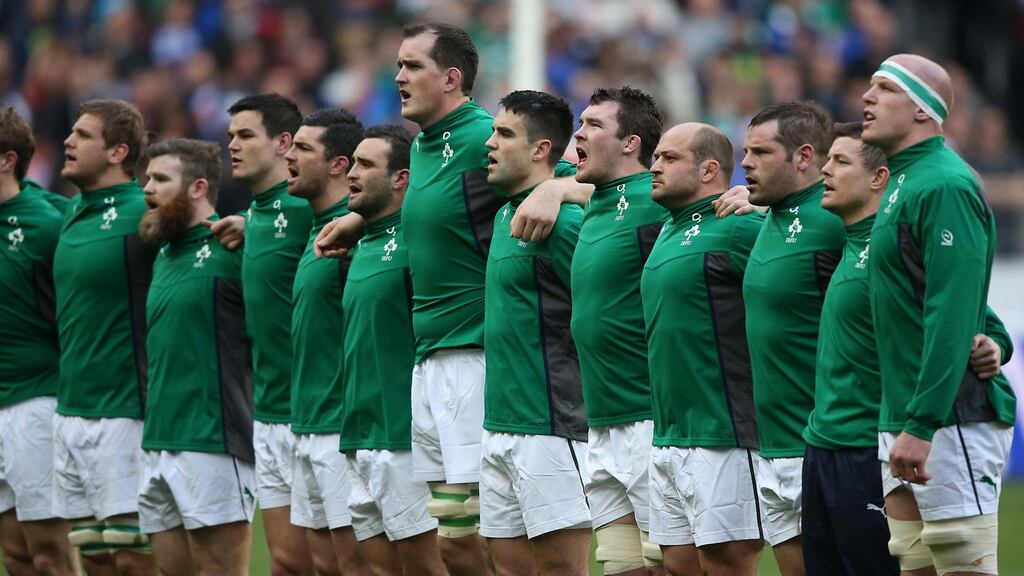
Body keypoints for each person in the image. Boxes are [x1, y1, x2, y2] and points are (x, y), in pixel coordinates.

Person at [801, 121, 1011, 576]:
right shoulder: (847, 236)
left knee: (947, 557)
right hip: (828, 443)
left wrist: (994, 342)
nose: (824, 171)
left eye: (839, 162)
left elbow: (970, 312)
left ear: (879, 179)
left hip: (873, 439)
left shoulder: (900, 238)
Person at [863, 54, 1017, 576]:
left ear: (924, 110)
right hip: (904, 413)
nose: (866, 98)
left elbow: (950, 309)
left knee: (961, 560)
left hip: (948, 416)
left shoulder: (944, 184)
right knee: (916, 562)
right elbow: (936, 295)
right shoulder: (902, 182)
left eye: (883, 88)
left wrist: (923, 422)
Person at [641, 123, 766, 576]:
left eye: (669, 158)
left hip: (725, 433)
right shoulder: (668, 229)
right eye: (655, 156)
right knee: (675, 566)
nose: (654, 166)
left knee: (726, 565)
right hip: (670, 434)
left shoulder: (739, 225)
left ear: (710, 169)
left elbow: (823, 258)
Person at [477, 90, 589, 576]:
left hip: (551, 422)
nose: (490, 143)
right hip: (499, 422)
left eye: (504, 134)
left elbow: (604, 311)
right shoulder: (507, 213)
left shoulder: (563, 222)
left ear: (541, 149)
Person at [136, 138, 254, 576]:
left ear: (198, 187)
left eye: (161, 179)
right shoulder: (164, 253)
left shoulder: (233, 248)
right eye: (147, 178)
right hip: (158, 441)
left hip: (213, 442)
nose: (148, 188)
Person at [739, 101, 846, 576]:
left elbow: (920, 279)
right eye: (744, 151)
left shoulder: (836, 218)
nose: (745, 163)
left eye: (760, 152)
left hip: (828, 446)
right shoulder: (767, 217)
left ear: (804, 158)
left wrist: (988, 336)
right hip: (774, 447)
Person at [52, 99, 157, 576]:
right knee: (92, 559)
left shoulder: (145, 210)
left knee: (132, 559)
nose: (68, 141)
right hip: (70, 408)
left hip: (124, 412)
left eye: (82, 135)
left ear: (118, 152)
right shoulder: (72, 210)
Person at [339, 125, 447, 576]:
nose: (351, 173)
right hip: (359, 434)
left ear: (402, 178)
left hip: (404, 437)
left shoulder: (419, 239)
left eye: (365, 164)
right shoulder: (359, 240)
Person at [569, 86, 667, 576]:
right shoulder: (594, 204)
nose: (578, 133)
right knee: (619, 564)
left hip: (650, 416)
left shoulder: (656, 199)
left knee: (668, 563)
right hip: (601, 418)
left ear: (631, 143)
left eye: (592, 125)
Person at [227, 92, 316, 576]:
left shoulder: (309, 206)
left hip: (319, 409)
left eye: (245, 135)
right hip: (269, 409)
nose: (233, 147)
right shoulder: (256, 213)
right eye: (230, 137)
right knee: (286, 562)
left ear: (284, 143)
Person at [284, 107, 368, 575]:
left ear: (339, 164)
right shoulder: (317, 227)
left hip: (343, 426)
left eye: (302, 149)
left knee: (355, 566)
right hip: (306, 423)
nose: (288, 156)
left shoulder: (356, 232)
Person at [0, 106, 76, 576]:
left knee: (49, 551)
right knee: (15, 555)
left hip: (35, 400)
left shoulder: (50, 220)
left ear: (6, 159)